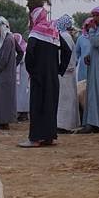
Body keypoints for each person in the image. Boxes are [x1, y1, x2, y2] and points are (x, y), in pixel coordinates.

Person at [19, 8, 71, 147]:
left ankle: (35, 139)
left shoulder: (35, 33)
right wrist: (60, 69)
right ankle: (49, 137)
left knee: (37, 106)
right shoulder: (54, 33)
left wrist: (32, 71)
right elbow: (67, 51)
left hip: (39, 77)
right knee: (50, 105)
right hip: (52, 77)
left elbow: (29, 54)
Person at [0, 16, 21, 130]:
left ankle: (4, 122)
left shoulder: (8, 39)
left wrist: (12, 65)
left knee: (4, 98)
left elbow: (7, 57)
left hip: (4, 73)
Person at [56, 14, 81, 133]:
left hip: (64, 72)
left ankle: (62, 125)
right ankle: (64, 124)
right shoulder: (65, 36)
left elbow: (64, 55)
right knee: (66, 99)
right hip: (67, 72)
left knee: (64, 99)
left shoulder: (64, 36)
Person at [13, 34, 30, 121]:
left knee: (24, 94)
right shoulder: (17, 49)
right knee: (18, 94)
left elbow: (21, 58)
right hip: (18, 77)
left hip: (24, 75)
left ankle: (24, 113)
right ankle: (19, 112)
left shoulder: (25, 48)